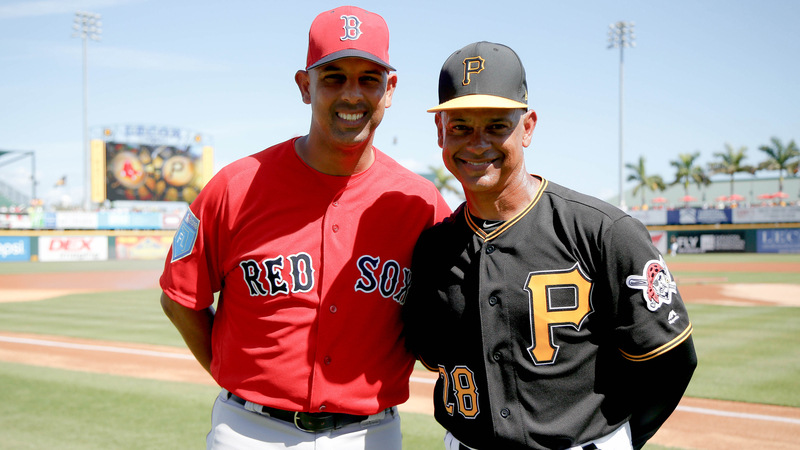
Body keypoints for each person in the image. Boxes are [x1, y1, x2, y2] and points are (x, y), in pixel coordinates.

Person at [159, 6, 451, 449]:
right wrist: (228, 369)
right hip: (250, 430)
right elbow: (180, 299)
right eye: (333, 77)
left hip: (370, 433)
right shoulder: (236, 187)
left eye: (368, 79)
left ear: (389, 89)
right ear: (304, 86)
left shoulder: (421, 203)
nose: (351, 94)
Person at [402, 41, 697, 450]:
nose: (477, 143)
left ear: (527, 127)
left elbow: (671, 363)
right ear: (440, 131)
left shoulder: (604, 231)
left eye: (497, 126)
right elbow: (431, 356)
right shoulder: (434, 249)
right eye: (460, 127)